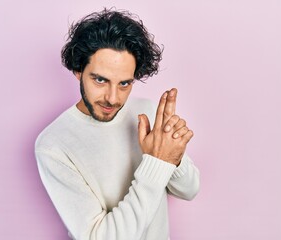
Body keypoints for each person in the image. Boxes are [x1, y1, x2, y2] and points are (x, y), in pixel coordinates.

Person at [35, 8, 200, 240]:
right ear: (78, 70)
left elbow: (189, 190)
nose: (113, 98)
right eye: (100, 80)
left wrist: (174, 156)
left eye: (124, 83)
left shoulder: (147, 111)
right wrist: (157, 162)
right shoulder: (53, 144)